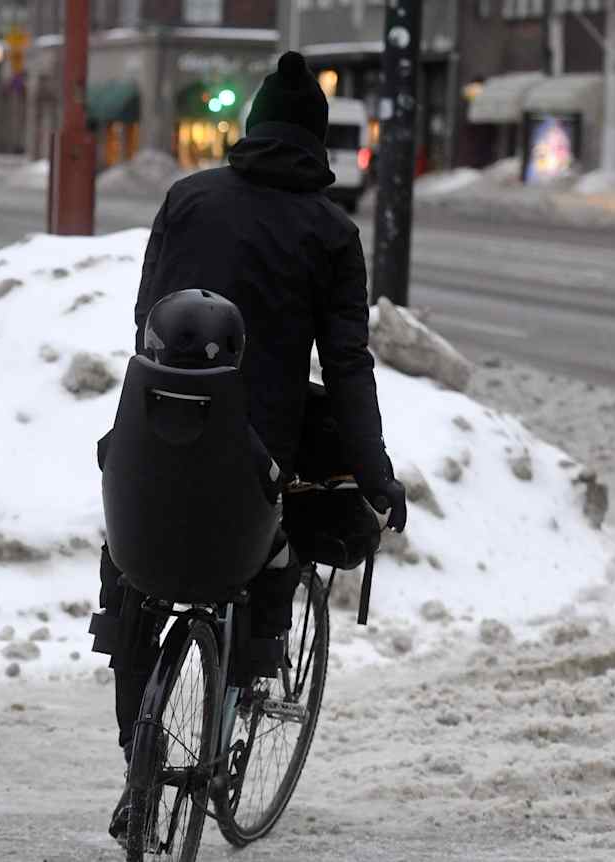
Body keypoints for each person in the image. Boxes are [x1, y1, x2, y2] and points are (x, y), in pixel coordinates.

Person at [97, 50, 407, 844]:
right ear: (315, 145)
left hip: (149, 443)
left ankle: (141, 757)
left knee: (134, 581)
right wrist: (374, 476)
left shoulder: (187, 200)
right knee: (269, 554)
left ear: (251, 130)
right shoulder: (332, 233)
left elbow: (145, 318)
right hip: (252, 461)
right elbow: (345, 368)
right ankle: (249, 675)